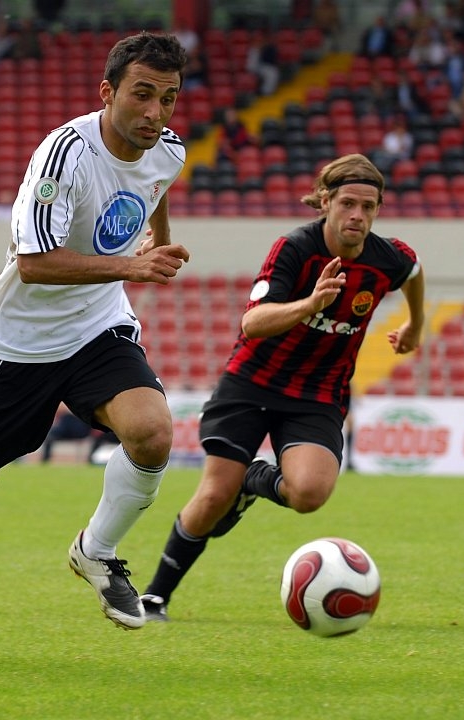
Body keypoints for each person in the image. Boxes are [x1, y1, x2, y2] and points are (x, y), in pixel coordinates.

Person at [0, 31, 189, 662]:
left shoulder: (168, 149)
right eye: (142, 94)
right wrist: (132, 267)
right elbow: (35, 262)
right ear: (107, 92)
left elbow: (157, 187)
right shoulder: (63, 156)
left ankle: (97, 551)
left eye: (168, 98)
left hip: (96, 329)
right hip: (16, 346)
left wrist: (157, 241)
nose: (155, 112)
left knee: (153, 432)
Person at [140, 153, 425, 621]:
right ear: (326, 202)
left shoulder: (386, 258)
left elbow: (412, 272)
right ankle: (155, 596)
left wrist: (415, 323)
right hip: (252, 383)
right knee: (213, 497)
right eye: (348, 203)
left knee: (309, 494)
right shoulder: (295, 248)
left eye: (368, 206)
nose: (357, 215)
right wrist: (310, 303)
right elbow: (252, 323)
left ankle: (253, 480)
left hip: (319, 393)